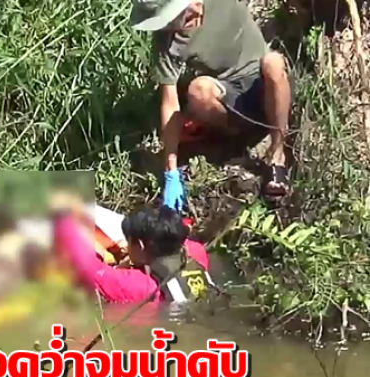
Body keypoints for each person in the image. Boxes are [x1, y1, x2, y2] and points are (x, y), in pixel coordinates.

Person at [130, 0, 294, 209]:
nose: (171, 27)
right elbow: (169, 104)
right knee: (198, 90)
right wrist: (171, 172)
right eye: (167, 22)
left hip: (266, 85)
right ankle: (239, 136)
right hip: (231, 94)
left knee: (273, 62)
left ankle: (277, 153)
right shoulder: (166, 42)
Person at [50, 192, 215, 305]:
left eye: (129, 242)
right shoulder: (198, 255)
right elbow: (188, 239)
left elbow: (89, 270)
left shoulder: (142, 287)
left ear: (141, 246)